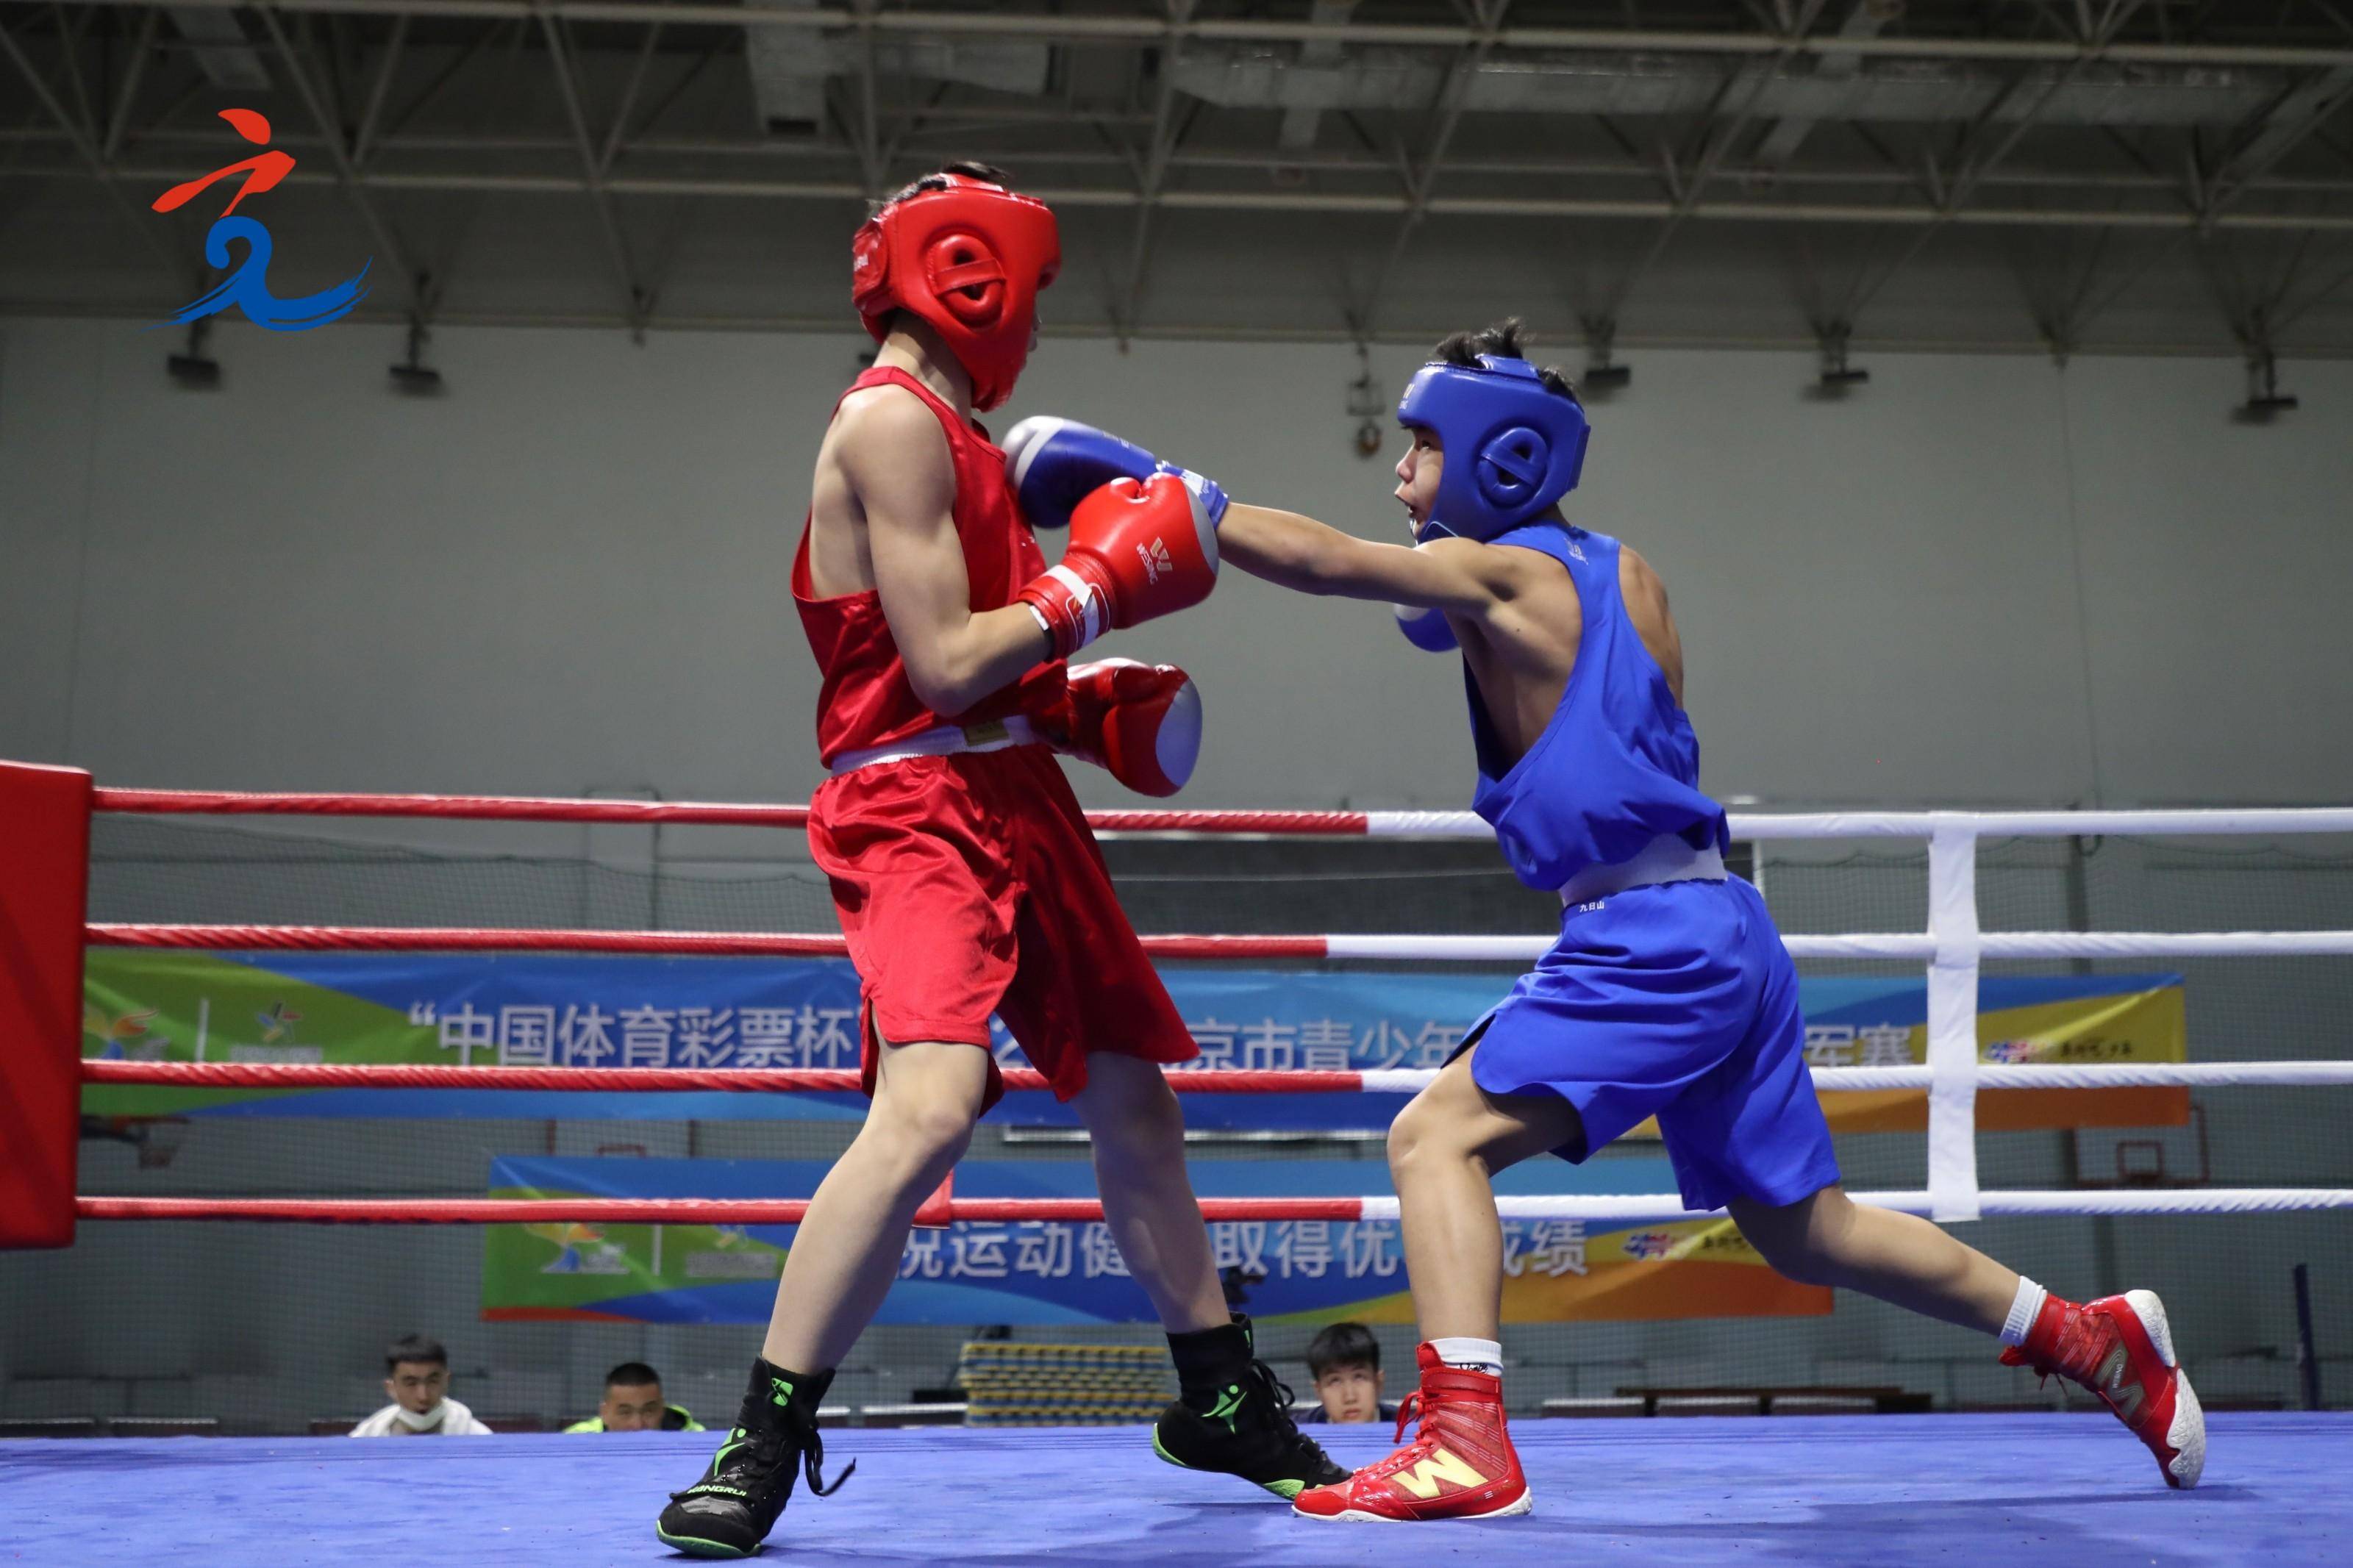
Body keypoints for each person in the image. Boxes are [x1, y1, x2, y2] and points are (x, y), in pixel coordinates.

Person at [1003, 318, 2205, 1523]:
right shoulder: (1625, 573)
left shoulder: (1511, 575)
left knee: (1436, 1140)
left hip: (1650, 935)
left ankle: (1467, 1440)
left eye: (1421, 448)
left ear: (1501, 461)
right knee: (1803, 1226)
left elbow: (1326, 559)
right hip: (1722, 920)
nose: (1401, 473)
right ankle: (2084, 1333)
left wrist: (1147, 484)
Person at [653, 163, 1342, 1558]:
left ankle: (1218, 1394)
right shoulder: (893, 424)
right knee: (931, 1104)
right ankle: (766, 1429)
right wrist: (1092, 586)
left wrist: (1087, 704)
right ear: (975, 275)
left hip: (1013, 790)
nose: (1030, 317)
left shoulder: (975, 442)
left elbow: (990, 678)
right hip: (913, 808)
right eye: (1030, 288)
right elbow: (944, 661)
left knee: (1137, 1104)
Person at [349, 1334, 492, 1438]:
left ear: (446, 1381)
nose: (423, 1396)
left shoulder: (479, 1438)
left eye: (432, 1381)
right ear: (391, 1388)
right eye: (411, 1383)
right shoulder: (365, 1438)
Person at [565, 1362, 704, 1433]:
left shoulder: (698, 1439)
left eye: (649, 1411)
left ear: (662, 1409)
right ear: (604, 1413)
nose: (638, 1425)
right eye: (625, 1412)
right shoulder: (574, 1441)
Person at [1301, 1322, 1393, 1425]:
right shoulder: (1296, 1432)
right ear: (1318, 1391)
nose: (1350, 1398)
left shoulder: (1409, 1427)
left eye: (1359, 1377)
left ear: (1378, 1382)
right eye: (1335, 1381)